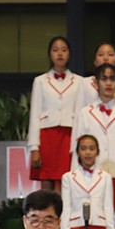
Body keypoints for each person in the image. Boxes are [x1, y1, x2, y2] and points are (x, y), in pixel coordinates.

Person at [72, 63, 115, 208]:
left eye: (112, 79)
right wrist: (76, 176)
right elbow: (77, 149)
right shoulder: (84, 113)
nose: (108, 83)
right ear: (95, 83)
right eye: (104, 79)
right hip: (93, 174)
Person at [28, 36, 82, 190]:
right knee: (46, 180)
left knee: (66, 181)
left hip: (69, 134)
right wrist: (34, 147)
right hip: (47, 134)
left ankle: (64, 214)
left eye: (64, 50)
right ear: (50, 54)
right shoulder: (40, 81)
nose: (60, 54)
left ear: (69, 54)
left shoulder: (79, 81)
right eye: (55, 50)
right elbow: (34, 114)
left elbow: (80, 113)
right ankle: (45, 213)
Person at [61, 134, 115, 229]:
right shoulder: (68, 177)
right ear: (78, 152)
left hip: (99, 226)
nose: (88, 152)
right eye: (83, 148)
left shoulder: (106, 177)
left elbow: (108, 206)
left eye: (92, 148)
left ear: (98, 152)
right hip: (76, 227)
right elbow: (66, 207)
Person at [80, 42, 115, 112]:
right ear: (95, 62)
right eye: (100, 54)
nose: (105, 58)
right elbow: (78, 112)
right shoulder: (83, 83)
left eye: (110, 54)